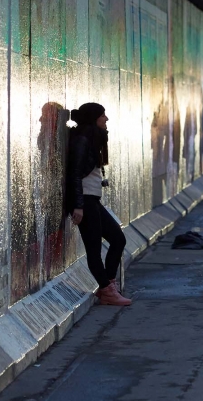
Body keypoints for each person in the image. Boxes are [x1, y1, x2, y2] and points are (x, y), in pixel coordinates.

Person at [66, 102, 131, 306]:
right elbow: (74, 173)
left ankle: (108, 285)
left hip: (92, 198)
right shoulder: (83, 140)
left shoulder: (92, 137)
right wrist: (77, 206)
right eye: (103, 115)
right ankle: (107, 291)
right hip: (84, 200)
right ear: (94, 118)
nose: (107, 119)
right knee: (93, 249)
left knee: (118, 239)